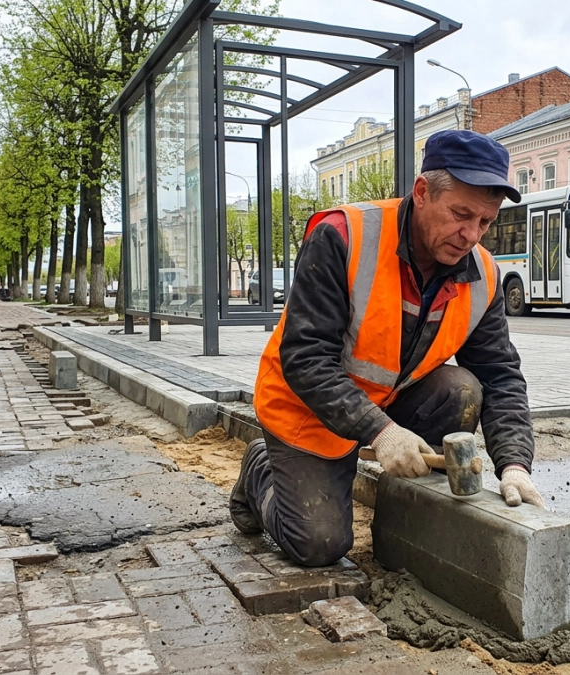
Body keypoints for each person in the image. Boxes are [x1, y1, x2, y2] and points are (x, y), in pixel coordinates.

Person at [230, 129, 542, 568]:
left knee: (463, 390)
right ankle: (260, 469)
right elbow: (305, 359)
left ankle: (407, 517)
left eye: (485, 222)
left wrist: (514, 465)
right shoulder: (344, 237)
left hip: (385, 403)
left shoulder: (483, 276)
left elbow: (500, 376)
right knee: (319, 544)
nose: (471, 235)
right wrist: (382, 433)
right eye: (460, 214)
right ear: (422, 192)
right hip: (306, 408)